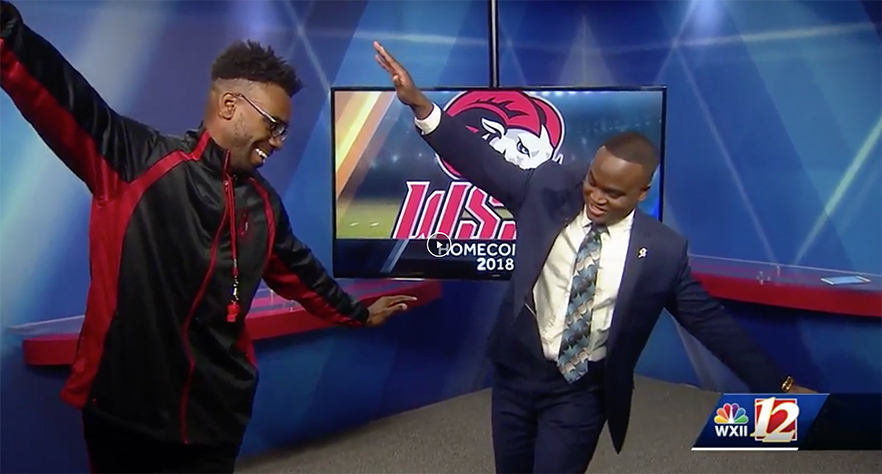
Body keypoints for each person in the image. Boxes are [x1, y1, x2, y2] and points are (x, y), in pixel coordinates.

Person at [0, 2, 418, 472]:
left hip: (216, 417)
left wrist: (359, 314)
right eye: (273, 125)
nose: (278, 140)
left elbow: (304, 276)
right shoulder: (135, 160)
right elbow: (58, 91)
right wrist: (7, 29)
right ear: (229, 105)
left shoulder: (262, 205)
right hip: (125, 413)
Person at [372, 41, 814, 474]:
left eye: (614, 193)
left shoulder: (661, 250)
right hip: (515, 375)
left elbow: (711, 324)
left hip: (581, 393)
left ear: (643, 193)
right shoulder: (546, 190)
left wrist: (782, 387)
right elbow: (478, 160)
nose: (597, 198)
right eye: (593, 183)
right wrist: (420, 105)